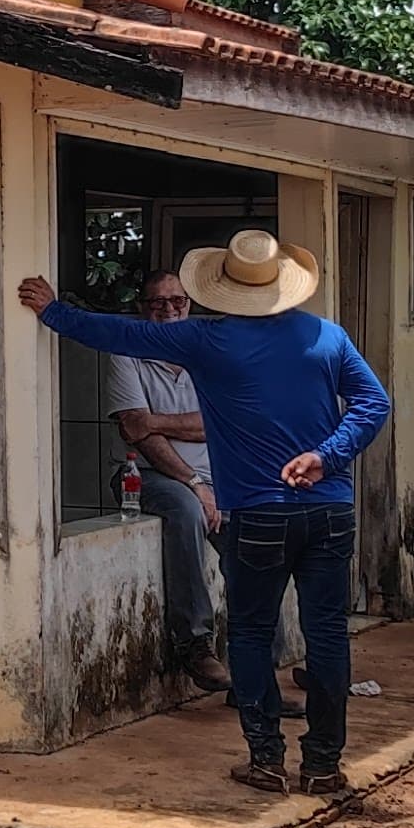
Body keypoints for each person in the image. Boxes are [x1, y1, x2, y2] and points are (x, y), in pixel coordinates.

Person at [19, 230, 388, 796]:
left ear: (224, 288)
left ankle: (266, 759)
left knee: (249, 631)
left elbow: (120, 331)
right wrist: (326, 455)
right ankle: (323, 765)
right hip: (330, 509)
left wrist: (54, 311)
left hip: (258, 514)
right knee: (328, 636)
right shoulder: (328, 336)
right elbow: (373, 403)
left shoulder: (209, 340)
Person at [107, 270, 235, 695]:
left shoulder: (210, 353)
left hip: (219, 478)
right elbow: (135, 433)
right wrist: (196, 481)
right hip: (146, 475)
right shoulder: (126, 351)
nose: (169, 310)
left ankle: (257, 670)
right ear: (143, 308)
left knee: (255, 547)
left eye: (177, 301)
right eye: (158, 302)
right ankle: (195, 642)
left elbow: (218, 424)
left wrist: (157, 421)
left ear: (190, 305)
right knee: (184, 509)